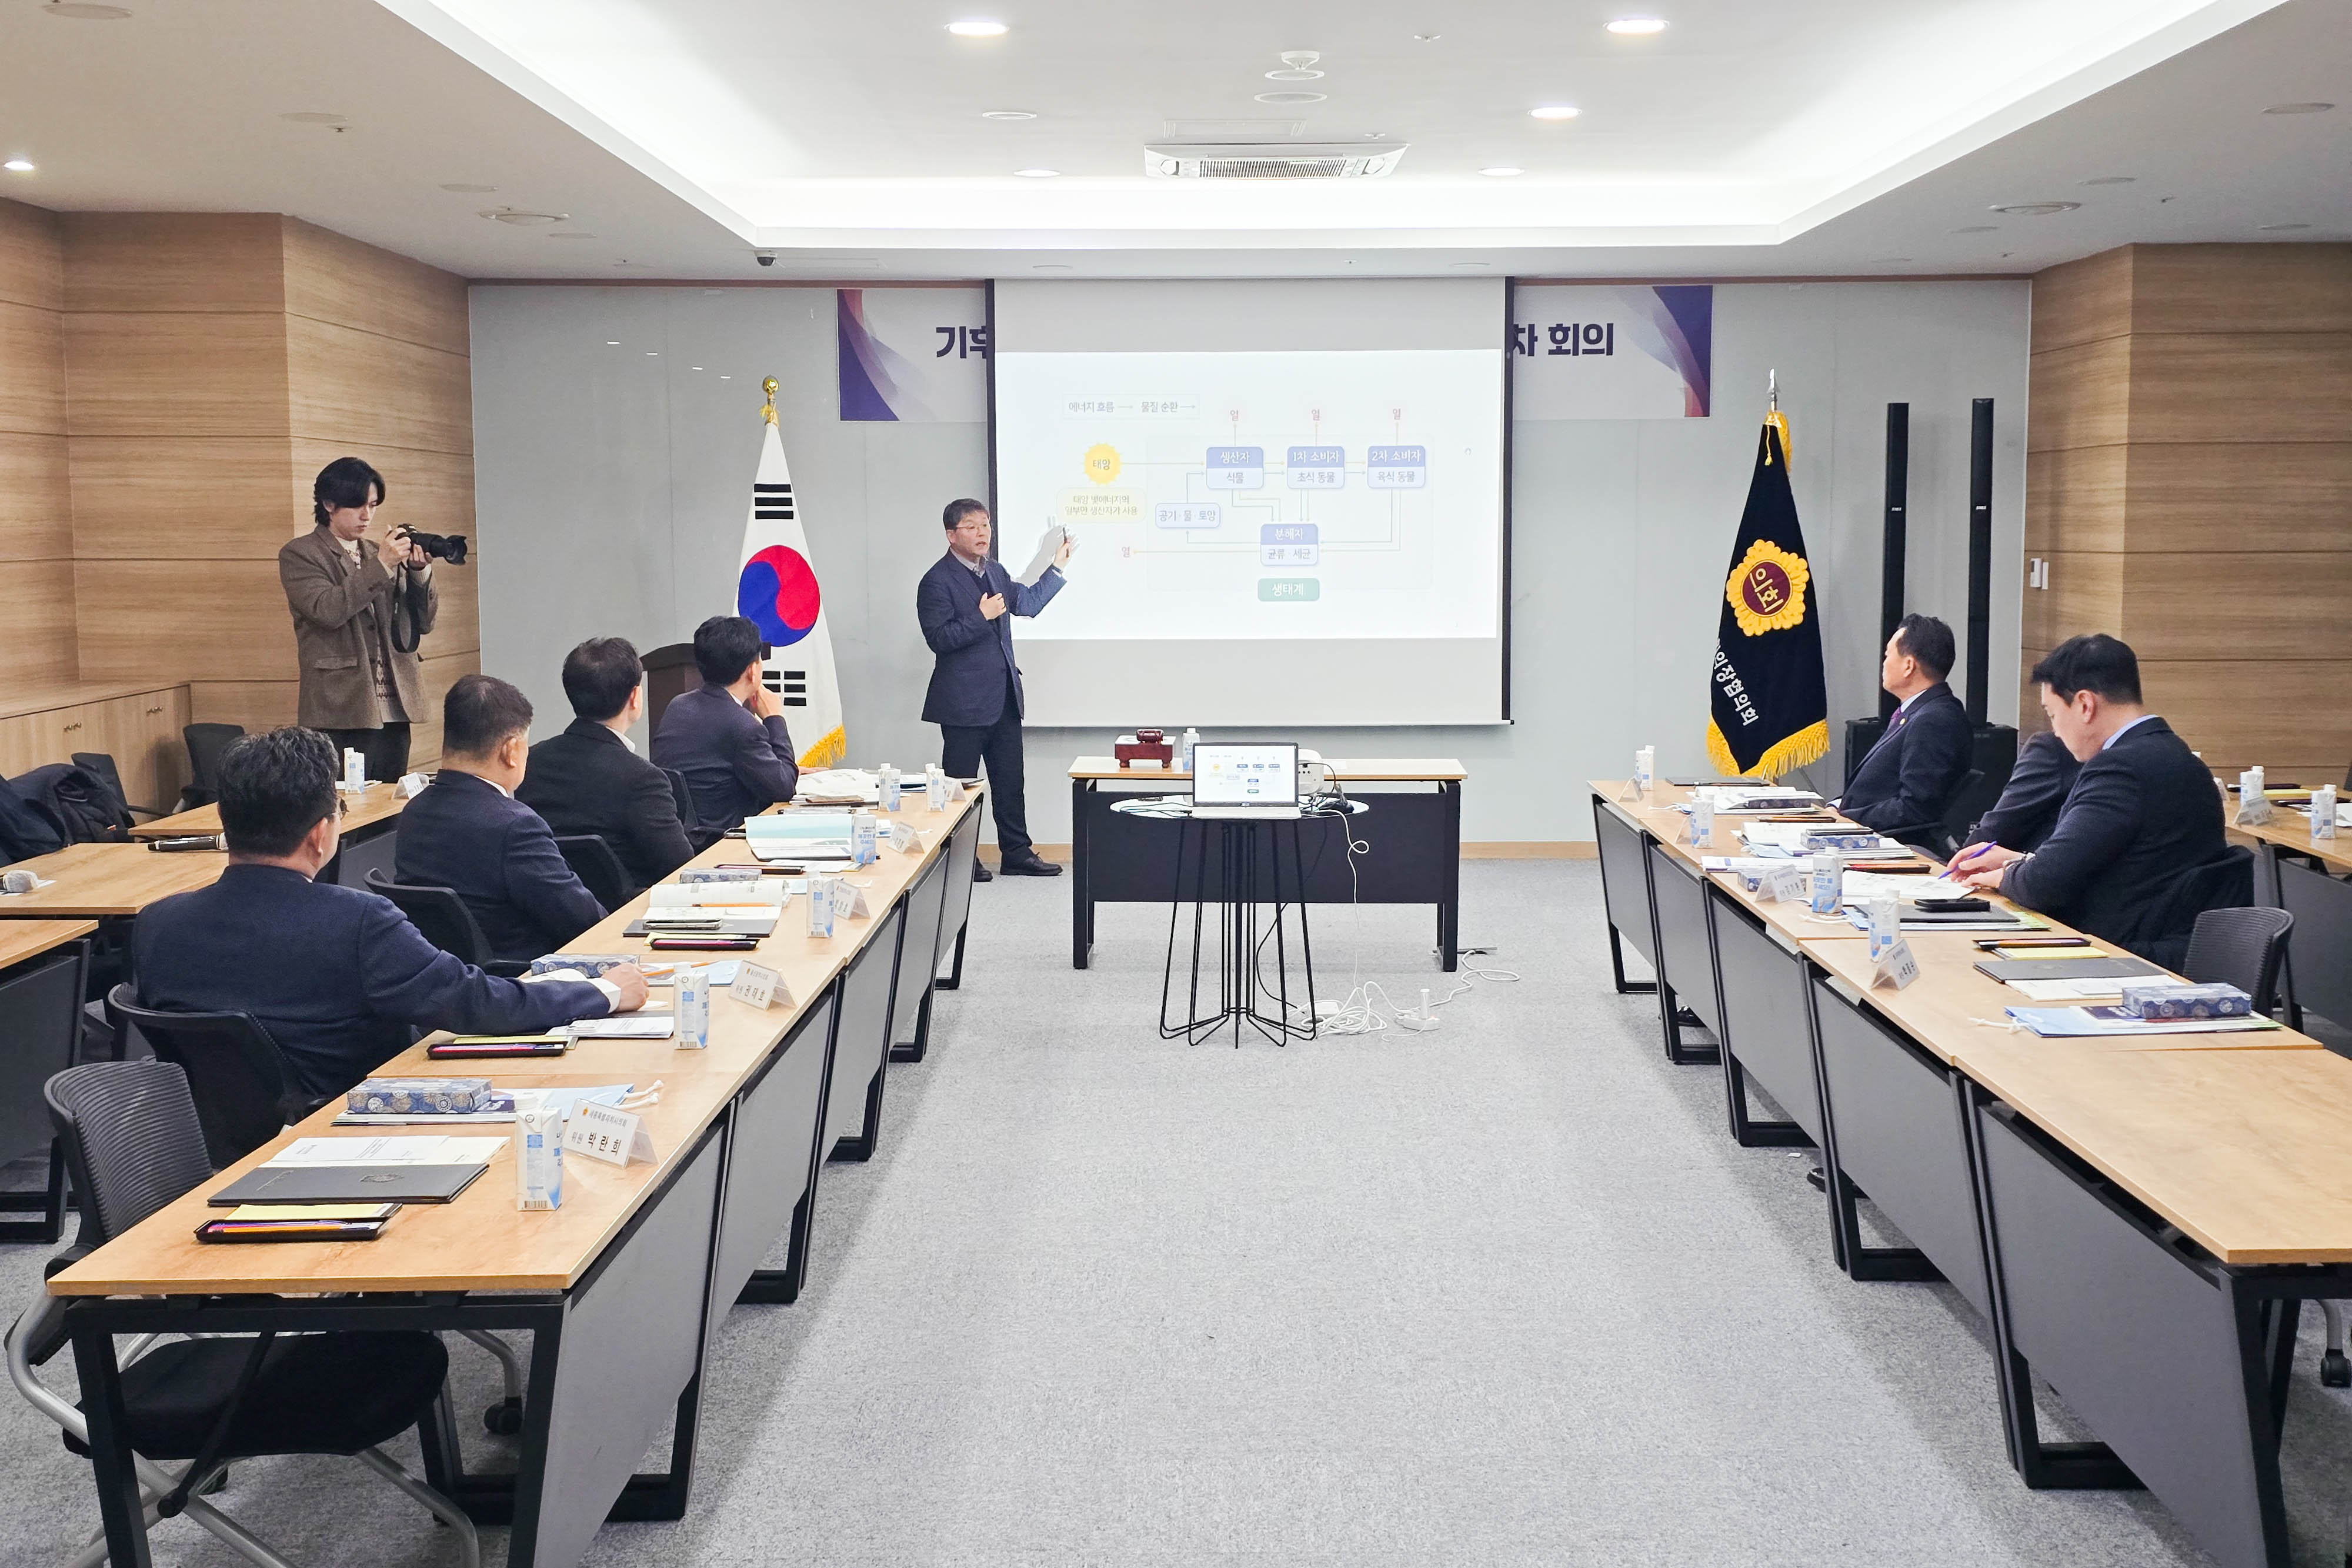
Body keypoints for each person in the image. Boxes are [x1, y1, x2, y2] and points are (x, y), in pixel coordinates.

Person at [134, 726, 644, 1100]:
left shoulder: (156, 925)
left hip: (222, 1152)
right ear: (321, 834)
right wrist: (605, 990)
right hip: (354, 1127)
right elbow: (477, 1003)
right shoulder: (358, 923)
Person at [1951, 633, 2233, 966]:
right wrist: (2022, 860)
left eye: (2053, 715)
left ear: (2085, 705)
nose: (2054, 732)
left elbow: (2044, 884)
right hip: (2160, 944)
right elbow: (2112, 861)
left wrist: (2007, 873)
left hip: (2123, 957)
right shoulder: (2177, 755)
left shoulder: (2120, 769)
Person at [396, 674, 607, 964]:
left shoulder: (414, 812)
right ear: (511, 751)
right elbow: (584, 922)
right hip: (523, 983)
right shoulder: (516, 826)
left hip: (440, 979)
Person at [917, 499, 1074, 879]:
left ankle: (1016, 853)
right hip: (961, 704)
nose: (982, 533)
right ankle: (959, 860)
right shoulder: (935, 581)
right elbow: (939, 639)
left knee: (1010, 783)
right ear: (951, 535)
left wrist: (1057, 566)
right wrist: (980, 616)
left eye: (985, 525)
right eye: (971, 527)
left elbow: (1029, 605)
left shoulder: (997, 572)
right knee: (961, 789)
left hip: (1003, 698)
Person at [279, 457, 439, 782]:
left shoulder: (374, 552)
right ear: (329, 504)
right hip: (342, 706)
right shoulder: (301, 553)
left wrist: (420, 574)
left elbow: (422, 623)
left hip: (395, 703)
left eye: (373, 505)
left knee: (390, 804)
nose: (367, 516)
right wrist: (382, 565)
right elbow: (328, 610)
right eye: (357, 506)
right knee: (347, 805)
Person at [518, 637, 694, 891]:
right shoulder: (643, 779)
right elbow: (679, 869)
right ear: (635, 697)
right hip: (628, 916)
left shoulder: (531, 761)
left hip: (552, 917)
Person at [652, 615, 800, 835]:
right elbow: (784, 789)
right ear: (752, 670)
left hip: (688, 839)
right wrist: (774, 718)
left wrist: (774, 764)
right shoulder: (742, 725)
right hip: (724, 842)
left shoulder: (678, 706)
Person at [1836, 613, 1972, 849]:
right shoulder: (1919, 712)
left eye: (1888, 655)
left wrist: (1847, 819)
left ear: (1908, 665)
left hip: (1888, 845)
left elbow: (1915, 807)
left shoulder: (1934, 719)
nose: (1884, 662)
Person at [1959, 728, 2082, 853]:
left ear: (2086, 709)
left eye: (2053, 714)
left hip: (2034, 867)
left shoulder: (2054, 749)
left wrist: (1959, 865)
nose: (2056, 730)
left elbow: (2001, 826)